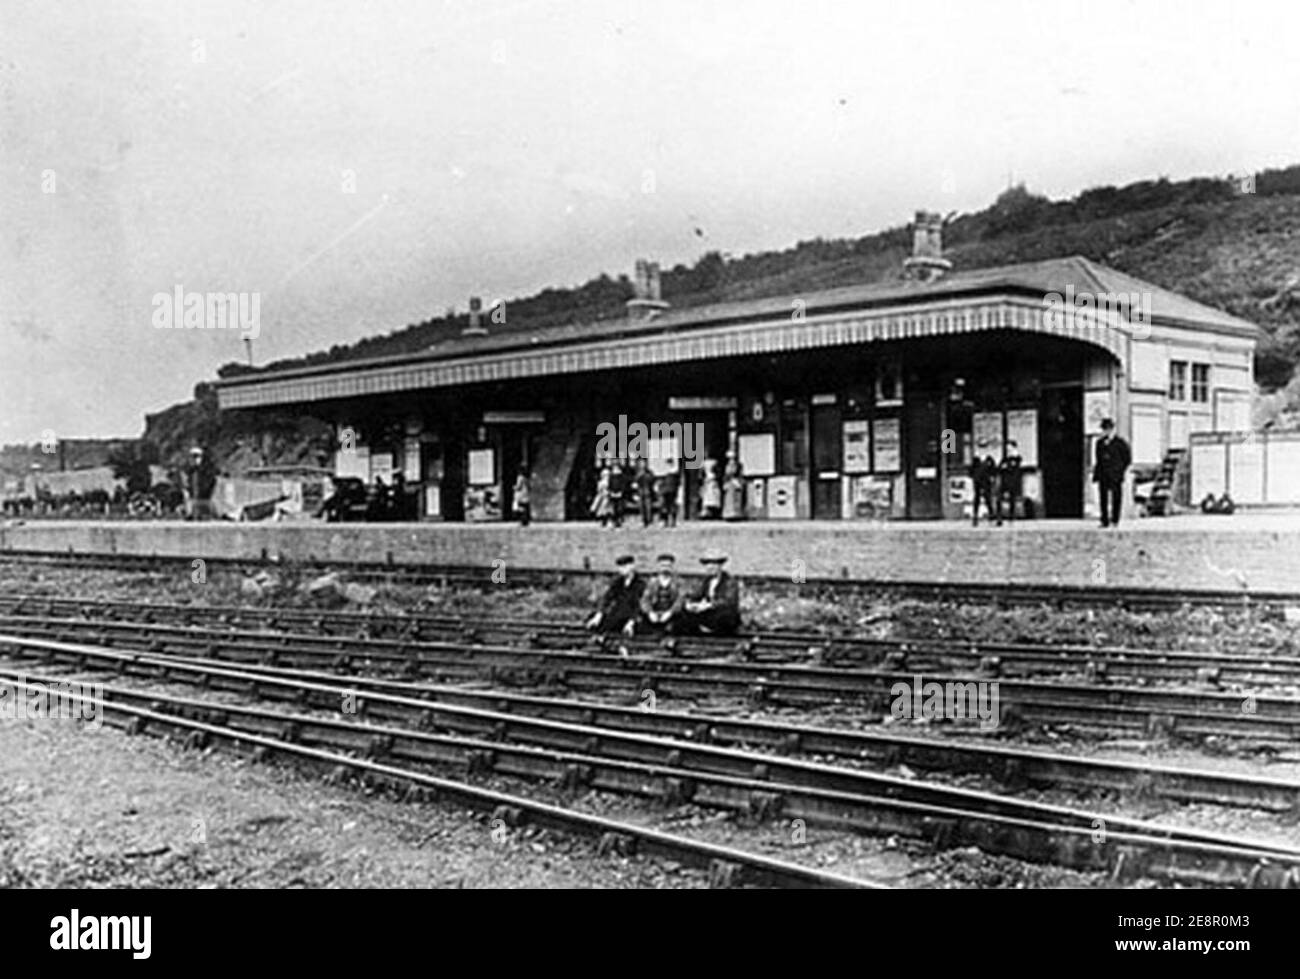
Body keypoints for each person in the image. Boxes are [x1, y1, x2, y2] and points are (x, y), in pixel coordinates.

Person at [682, 549, 741, 635]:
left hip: (723, 615)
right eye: (708, 564)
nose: (710, 567)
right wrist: (689, 604)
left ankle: (710, 629)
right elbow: (696, 595)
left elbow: (728, 601)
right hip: (709, 614)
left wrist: (709, 605)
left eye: (714, 564)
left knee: (724, 616)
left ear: (720, 566)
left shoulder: (729, 581)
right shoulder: (706, 581)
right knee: (684, 614)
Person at [586, 554, 644, 636]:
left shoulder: (640, 584)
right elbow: (607, 598)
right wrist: (599, 615)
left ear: (632, 566)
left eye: (624, 567)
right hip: (618, 613)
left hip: (631, 615)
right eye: (620, 567)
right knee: (593, 620)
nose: (621, 570)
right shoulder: (617, 581)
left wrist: (631, 622)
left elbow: (639, 605)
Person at [1093, 418, 1132, 528]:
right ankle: (1104, 520)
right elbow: (1098, 459)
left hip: (1115, 475)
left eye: (1108, 429)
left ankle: (1115, 519)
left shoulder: (1120, 443)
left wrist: (1120, 470)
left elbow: (1127, 458)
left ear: (1112, 429)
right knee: (1103, 498)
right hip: (1103, 474)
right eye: (1104, 429)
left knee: (1116, 498)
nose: (1106, 431)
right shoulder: (1100, 443)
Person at [639, 553, 685, 634]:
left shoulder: (678, 582)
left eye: (668, 566)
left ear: (672, 567)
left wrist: (670, 612)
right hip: (654, 613)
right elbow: (645, 599)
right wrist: (650, 612)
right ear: (658, 567)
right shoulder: (652, 583)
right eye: (663, 565)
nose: (665, 568)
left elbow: (680, 600)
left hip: (671, 615)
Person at [971, 440, 998, 527]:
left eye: (984, 447)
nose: (983, 449)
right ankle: (975, 517)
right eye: (981, 447)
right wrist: (974, 477)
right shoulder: (976, 459)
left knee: (988, 498)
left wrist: (992, 477)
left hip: (986, 481)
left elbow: (994, 470)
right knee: (977, 499)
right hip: (978, 481)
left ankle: (992, 515)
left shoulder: (989, 459)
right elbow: (971, 470)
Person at [998, 439, 1024, 524]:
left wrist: (1007, 467)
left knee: (1012, 498)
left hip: (1012, 480)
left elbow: (1014, 468)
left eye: (1009, 448)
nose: (1007, 450)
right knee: (999, 498)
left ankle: (1011, 516)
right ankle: (1000, 516)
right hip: (1004, 480)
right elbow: (1000, 467)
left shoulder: (1017, 458)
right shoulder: (1005, 458)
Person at [721, 453, 745, 521]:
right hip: (730, 482)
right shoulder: (728, 465)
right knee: (729, 499)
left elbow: (734, 473)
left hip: (734, 482)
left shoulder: (737, 465)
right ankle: (729, 513)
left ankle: (735, 513)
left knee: (735, 498)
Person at [590, 463, 613, 528]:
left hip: (608, 498)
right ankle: (603, 522)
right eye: (605, 475)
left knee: (608, 510)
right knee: (602, 510)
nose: (607, 476)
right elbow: (599, 491)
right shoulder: (601, 482)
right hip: (603, 497)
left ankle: (608, 521)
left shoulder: (610, 482)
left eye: (608, 475)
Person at [634, 460, 656, 528]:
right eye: (641, 464)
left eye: (643, 464)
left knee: (648, 507)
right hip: (640, 492)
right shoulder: (638, 472)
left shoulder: (649, 473)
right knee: (641, 507)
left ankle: (649, 521)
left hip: (648, 492)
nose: (642, 465)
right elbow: (635, 481)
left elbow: (652, 480)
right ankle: (643, 521)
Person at [608, 461, 627, 528]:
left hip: (620, 494)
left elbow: (623, 485)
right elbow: (610, 484)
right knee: (614, 509)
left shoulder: (621, 475)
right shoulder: (611, 475)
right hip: (613, 494)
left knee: (620, 508)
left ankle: (619, 520)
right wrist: (610, 492)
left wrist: (621, 492)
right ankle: (614, 521)